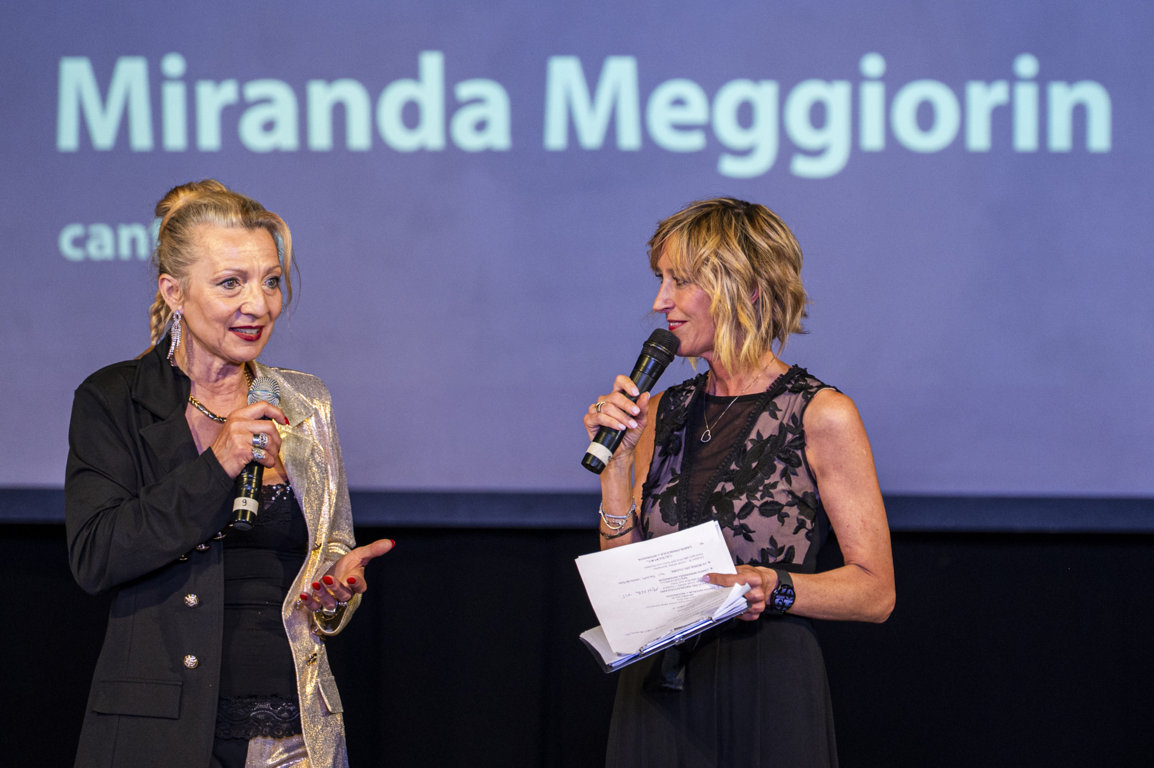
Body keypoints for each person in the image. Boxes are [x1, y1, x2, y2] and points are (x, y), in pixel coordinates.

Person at [65, 179, 393, 768]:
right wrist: (219, 463)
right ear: (174, 292)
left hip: (294, 732)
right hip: (159, 733)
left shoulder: (307, 402)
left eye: (271, 281)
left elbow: (330, 549)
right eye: (230, 283)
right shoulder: (114, 399)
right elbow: (97, 556)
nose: (259, 305)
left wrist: (333, 591)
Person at [582, 198, 895, 767]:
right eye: (661, 280)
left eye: (681, 281)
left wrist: (773, 586)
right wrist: (617, 472)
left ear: (745, 288)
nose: (660, 302)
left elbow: (875, 594)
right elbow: (626, 579)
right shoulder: (664, 410)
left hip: (763, 692)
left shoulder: (820, 413)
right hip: (654, 695)